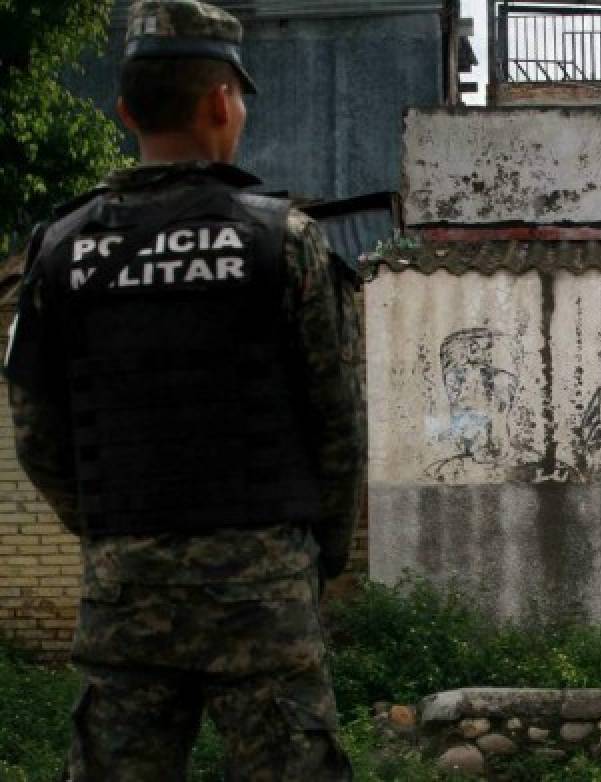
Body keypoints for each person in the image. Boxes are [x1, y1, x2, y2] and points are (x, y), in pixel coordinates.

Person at [3, 1, 365, 779]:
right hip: (263, 592)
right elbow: (338, 421)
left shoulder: (60, 250)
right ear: (219, 103)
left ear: (125, 108)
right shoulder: (283, 242)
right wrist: (314, 557)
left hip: (126, 593)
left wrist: (112, 533)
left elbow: (36, 434)